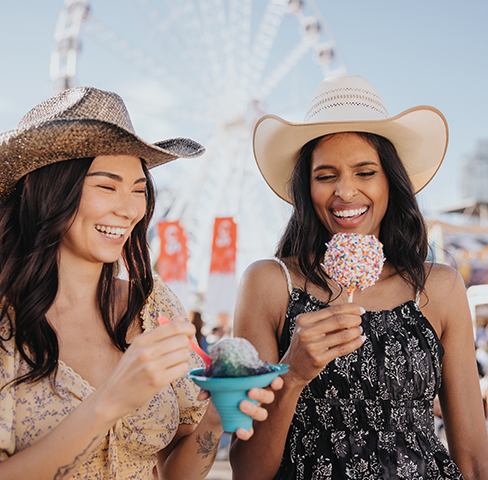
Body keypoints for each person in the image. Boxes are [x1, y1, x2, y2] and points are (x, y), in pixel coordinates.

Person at [0, 86, 282, 479]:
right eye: (106, 185)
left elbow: (177, 473)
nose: (130, 208)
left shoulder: (153, 307)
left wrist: (216, 416)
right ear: (50, 190)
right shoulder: (6, 323)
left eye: (139, 189)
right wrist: (109, 402)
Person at [230, 75, 488, 479]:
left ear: (390, 182)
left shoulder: (439, 286)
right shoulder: (269, 283)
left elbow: (473, 459)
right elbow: (248, 472)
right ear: (306, 188)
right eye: (326, 175)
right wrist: (292, 372)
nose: (345, 192)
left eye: (365, 172)